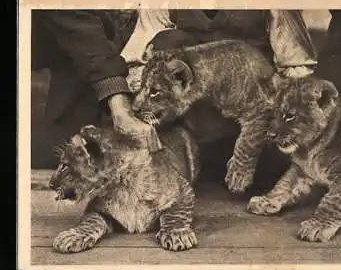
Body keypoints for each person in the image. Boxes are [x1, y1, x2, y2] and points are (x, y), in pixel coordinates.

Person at [31, 9, 318, 167]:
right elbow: (141, 57)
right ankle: (178, 156)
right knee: (169, 41)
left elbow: (296, 68)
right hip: (191, 107)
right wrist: (127, 107)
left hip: (248, 108)